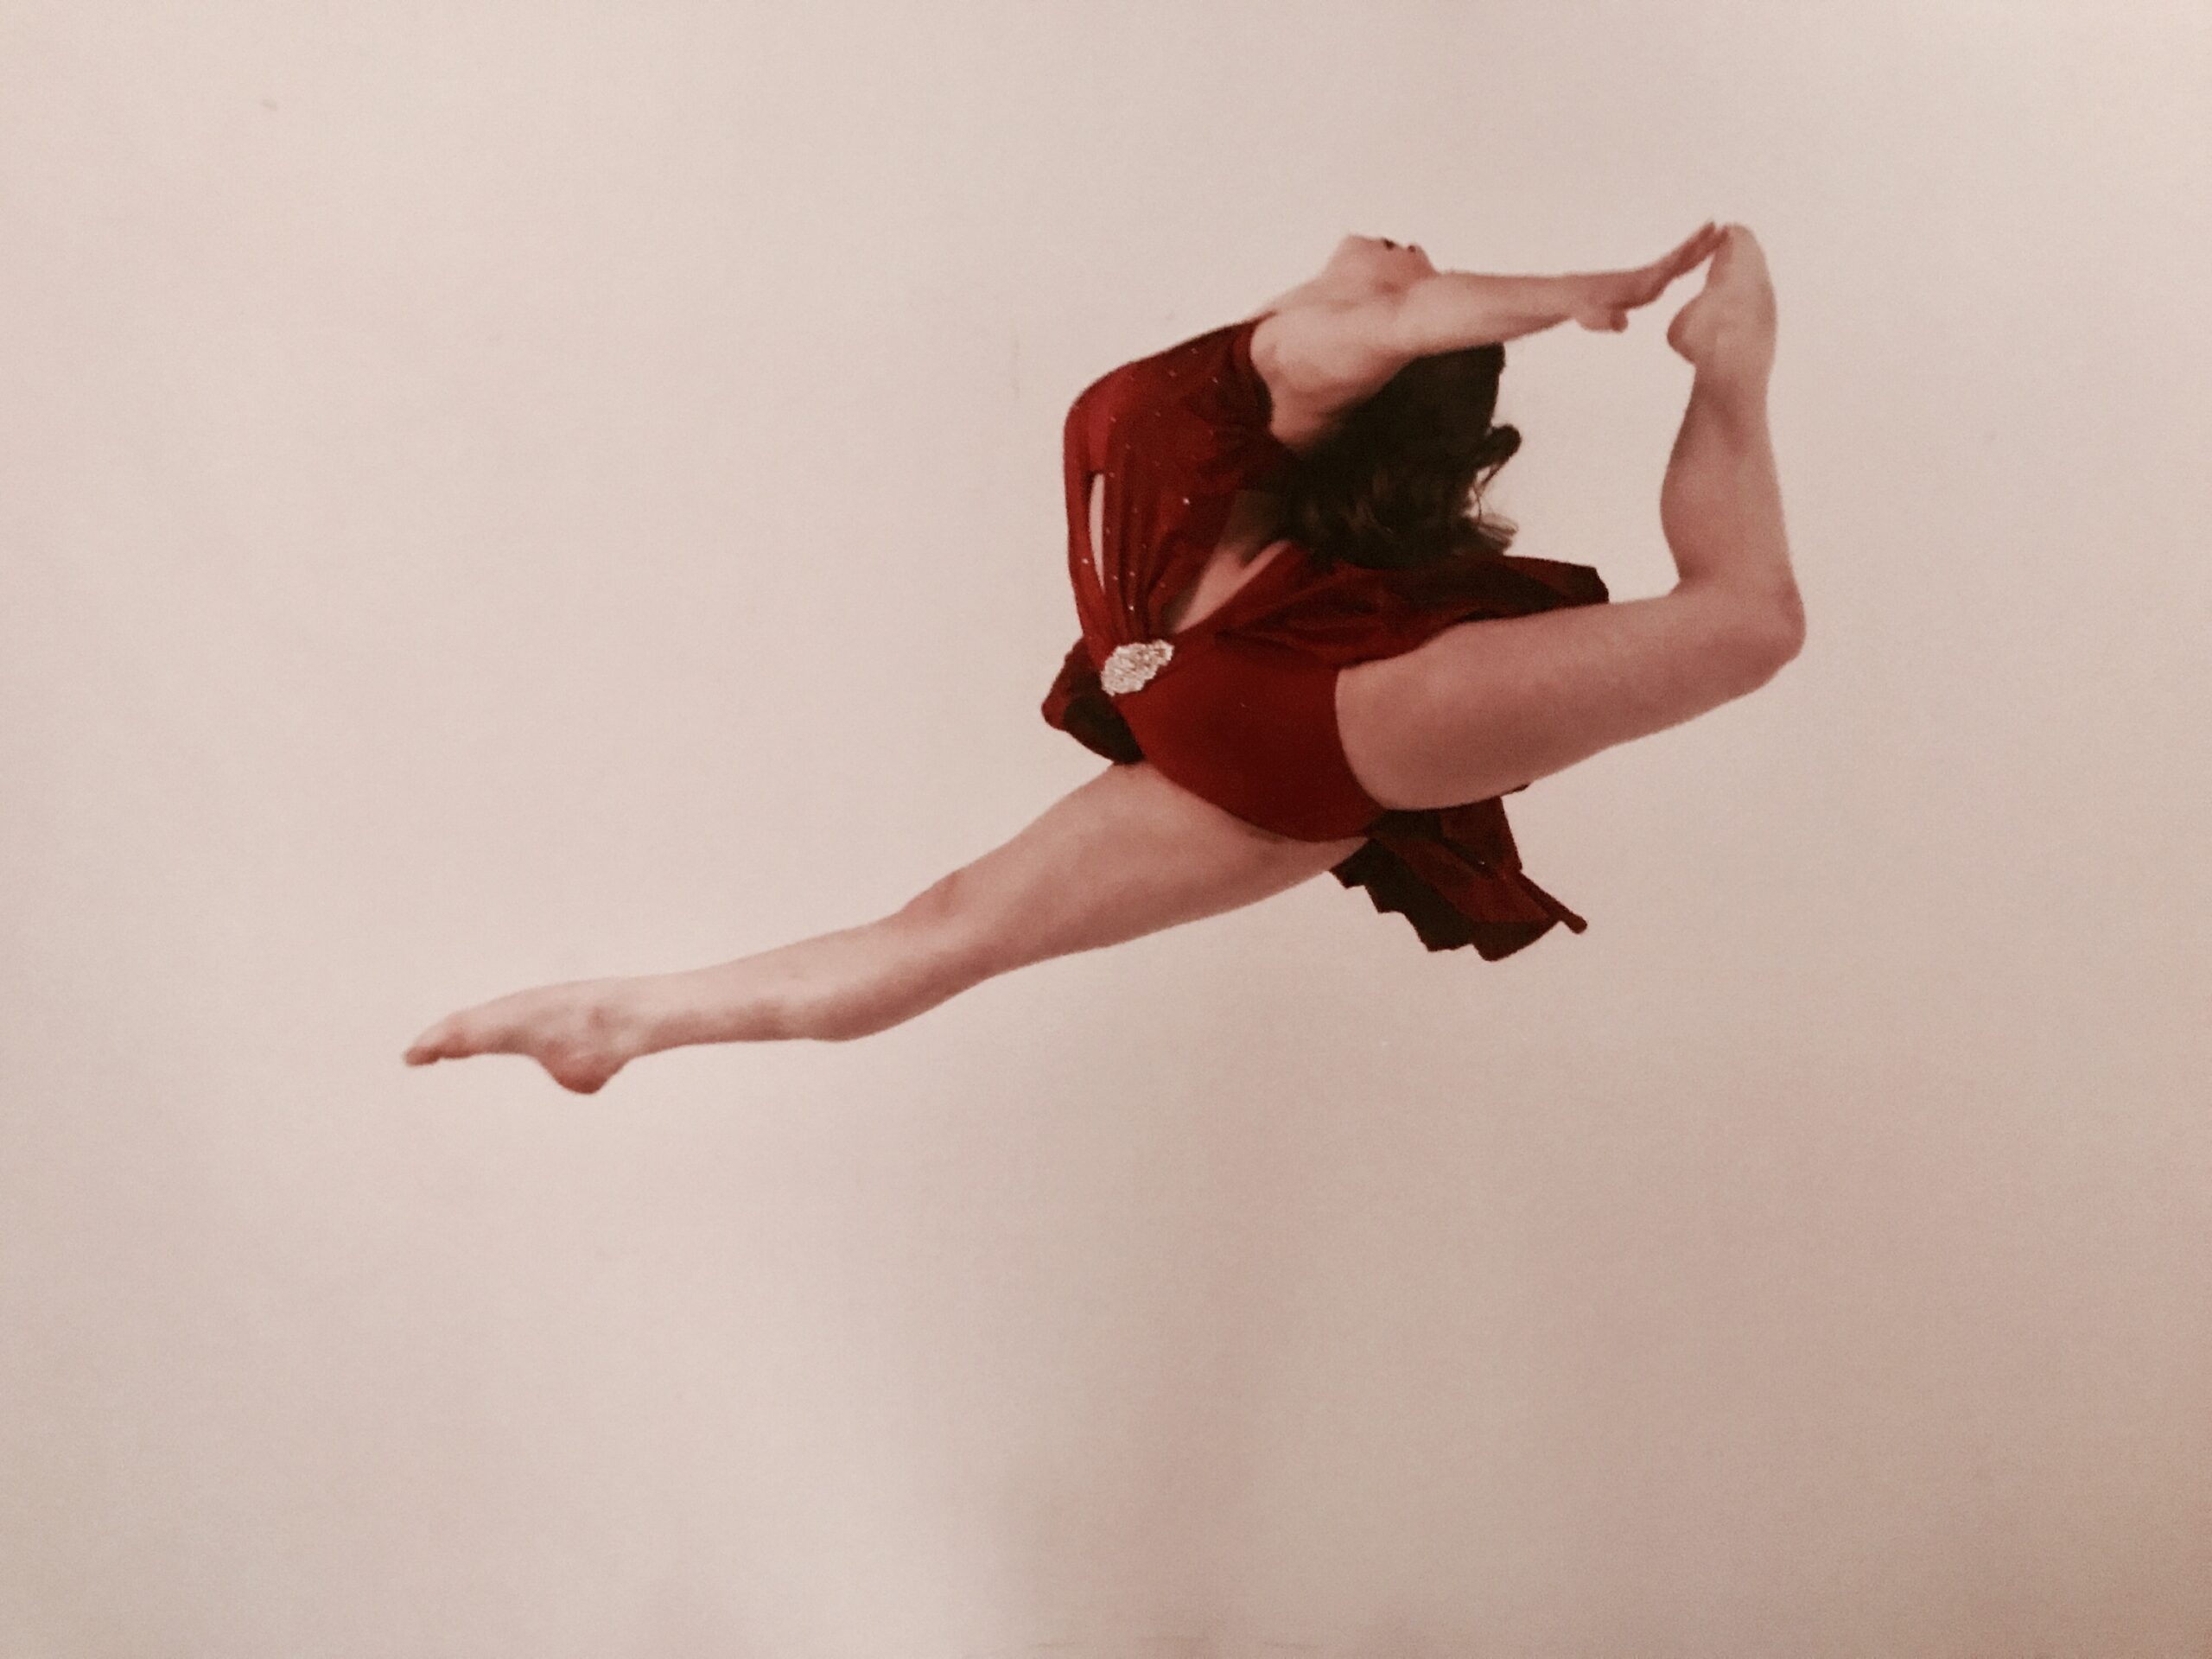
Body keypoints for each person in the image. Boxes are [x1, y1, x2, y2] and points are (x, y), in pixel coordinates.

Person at [404, 222, 1802, 1094]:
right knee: (1747, 620)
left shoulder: (1293, 359)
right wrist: (1585, 300)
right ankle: (1729, 363)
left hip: (1192, 700)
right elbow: (1402, 325)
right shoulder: (1275, 382)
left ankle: (625, 1021)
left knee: (942, 931)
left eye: (1422, 270)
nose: (1411, 246)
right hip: (1287, 714)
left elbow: (1398, 323)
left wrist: (1583, 291)